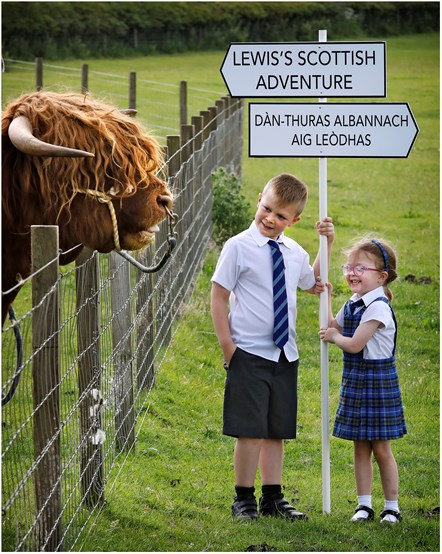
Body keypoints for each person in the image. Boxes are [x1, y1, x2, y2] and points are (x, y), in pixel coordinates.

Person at [211, 173, 334, 520]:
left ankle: (273, 497)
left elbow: (313, 284)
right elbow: (219, 296)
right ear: (259, 200)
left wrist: (327, 244)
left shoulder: (294, 252)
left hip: (285, 353)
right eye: (267, 209)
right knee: (249, 430)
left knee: (276, 430)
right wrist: (228, 347)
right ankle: (244, 498)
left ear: (294, 221)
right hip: (247, 352)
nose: (270, 218)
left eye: (280, 216)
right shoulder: (238, 246)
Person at [319, 236, 407, 524]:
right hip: (357, 382)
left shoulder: (378, 307)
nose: (351, 272)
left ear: (381, 277)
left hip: (377, 382)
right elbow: (334, 326)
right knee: (360, 447)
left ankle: (391, 506)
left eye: (360, 268)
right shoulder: (354, 302)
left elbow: (354, 343)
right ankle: (364, 505)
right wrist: (328, 297)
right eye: (348, 266)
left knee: (381, 448)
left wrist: (334, 338)